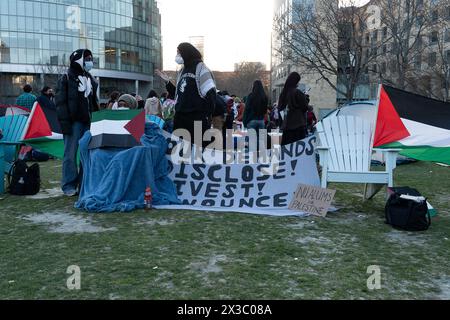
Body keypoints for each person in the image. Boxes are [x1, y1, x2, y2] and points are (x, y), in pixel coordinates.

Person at [55, 49, 99, 196]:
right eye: (87, 58)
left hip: (89, 122)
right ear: (78, 60)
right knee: (70, 154)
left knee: (87, 154)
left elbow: (94, 101)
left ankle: (83, 183)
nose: (90, 61)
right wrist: (65, 124)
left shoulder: (91, 79)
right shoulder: (66, 78)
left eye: (90, 58)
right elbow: (60, 103)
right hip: (74, 123)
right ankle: (69, 185)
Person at [155, 42, 216, 145]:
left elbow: (211, 94)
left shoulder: (201, 68)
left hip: (196, 119)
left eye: (179, 52)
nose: (177, 56)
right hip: (180, 118)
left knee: (197, 153)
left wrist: (206, 116)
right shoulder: (182, 71)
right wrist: (167, 82)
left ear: (186, 52)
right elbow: (179, 94)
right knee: (180, 152)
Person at [278, 72, 308, 146]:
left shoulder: (283, 93)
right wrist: (306, 98)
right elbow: (304, 107)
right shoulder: (298, 93)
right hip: (298, 125)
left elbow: (280, 108)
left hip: (287, 125)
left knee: (287, 148)